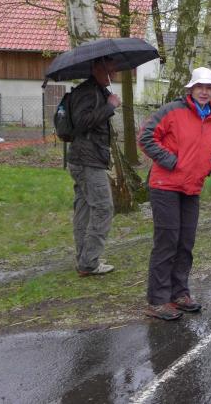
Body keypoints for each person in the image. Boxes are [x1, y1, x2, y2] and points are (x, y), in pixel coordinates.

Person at [138, 67, 211, 321]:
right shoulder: (172, 111)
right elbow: (146, 136)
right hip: (165, 185)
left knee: (185, 242)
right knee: (167, 242)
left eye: (209, 88)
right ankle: (158, 300)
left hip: (192, 187)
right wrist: (170, 161)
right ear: (191, 89)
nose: (204, 92)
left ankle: (179, 293)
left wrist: (209, 165)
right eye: (200, 87)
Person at [69, 56, 121, 276]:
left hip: (85, 158)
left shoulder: (97, 91)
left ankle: (85, 258)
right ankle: (89, 262)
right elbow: (82, 123)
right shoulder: (87, 92)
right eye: (111, 69)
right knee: (103, 208)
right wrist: (110, 107)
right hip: (87, 160)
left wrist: (108, 101)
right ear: (99, 68)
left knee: (84, 209)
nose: (115, 73)